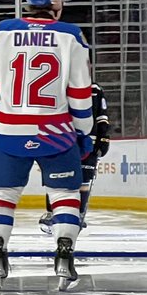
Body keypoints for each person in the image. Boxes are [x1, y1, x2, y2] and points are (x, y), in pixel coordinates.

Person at [0, 0, 93, 290]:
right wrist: (84, 132)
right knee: (65, 196)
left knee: (2, 196)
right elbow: (80, 94)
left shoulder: (2, 32)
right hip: (56, 131)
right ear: (53, 1)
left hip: (9, 129)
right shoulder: (70, 35)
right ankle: (64, 256)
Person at [41, 80, 109, 233]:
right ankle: (53, 213)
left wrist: (103, 138)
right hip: (61, 140)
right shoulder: (58, 84)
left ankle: (78, 214)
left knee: (84, 180)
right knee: (56, 177)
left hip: (88, 142)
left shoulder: (95, 89)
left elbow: (102, 117)